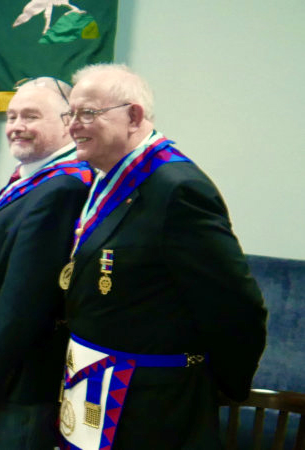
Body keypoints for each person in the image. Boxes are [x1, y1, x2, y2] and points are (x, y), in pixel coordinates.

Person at [57, 63, 266, 448]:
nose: (72, 126)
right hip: (94, 384)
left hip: (153, 407)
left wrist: (215, 387)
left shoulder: (178, 189)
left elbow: (238, 306)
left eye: (87, 113)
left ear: (133, 115)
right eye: (69, 114)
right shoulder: (105, 179)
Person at [0, 77, 92, 447]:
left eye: (30, 116)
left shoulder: (63, 187)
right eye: (12, 116)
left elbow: (25, 298)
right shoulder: (31, 179)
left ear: (68, 122)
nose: (16, 126)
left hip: (19, 377)